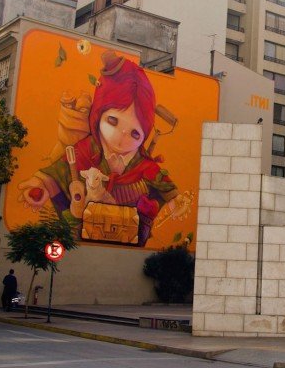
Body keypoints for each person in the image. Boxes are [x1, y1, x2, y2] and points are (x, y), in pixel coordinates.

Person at [19, 52, 178, 247]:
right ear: (98, 114)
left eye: (135, 133)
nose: (121, 136)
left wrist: (174, 201)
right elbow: (57, 172)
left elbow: (165, 185)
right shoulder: (85, 149)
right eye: (112, 120)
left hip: (128, 236)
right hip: (81, 231)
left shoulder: (144, 164)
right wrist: (40, 185)